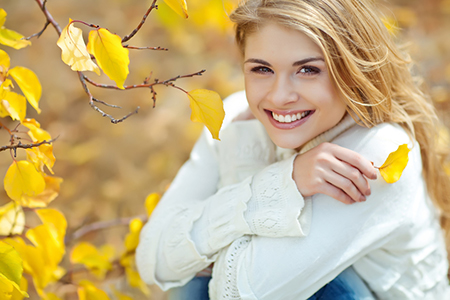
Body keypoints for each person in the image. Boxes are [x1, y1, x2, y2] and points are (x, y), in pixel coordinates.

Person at [136, 0, 450, 299]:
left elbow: (236, 294)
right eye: (261, 69)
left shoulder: (374, 151)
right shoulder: (235, 120)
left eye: (308, 70)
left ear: (351, 72)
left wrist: (241, 194)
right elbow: (153, 259)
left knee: (204, 270)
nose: (279, 96)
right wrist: (284, 182)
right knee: (193, 275)